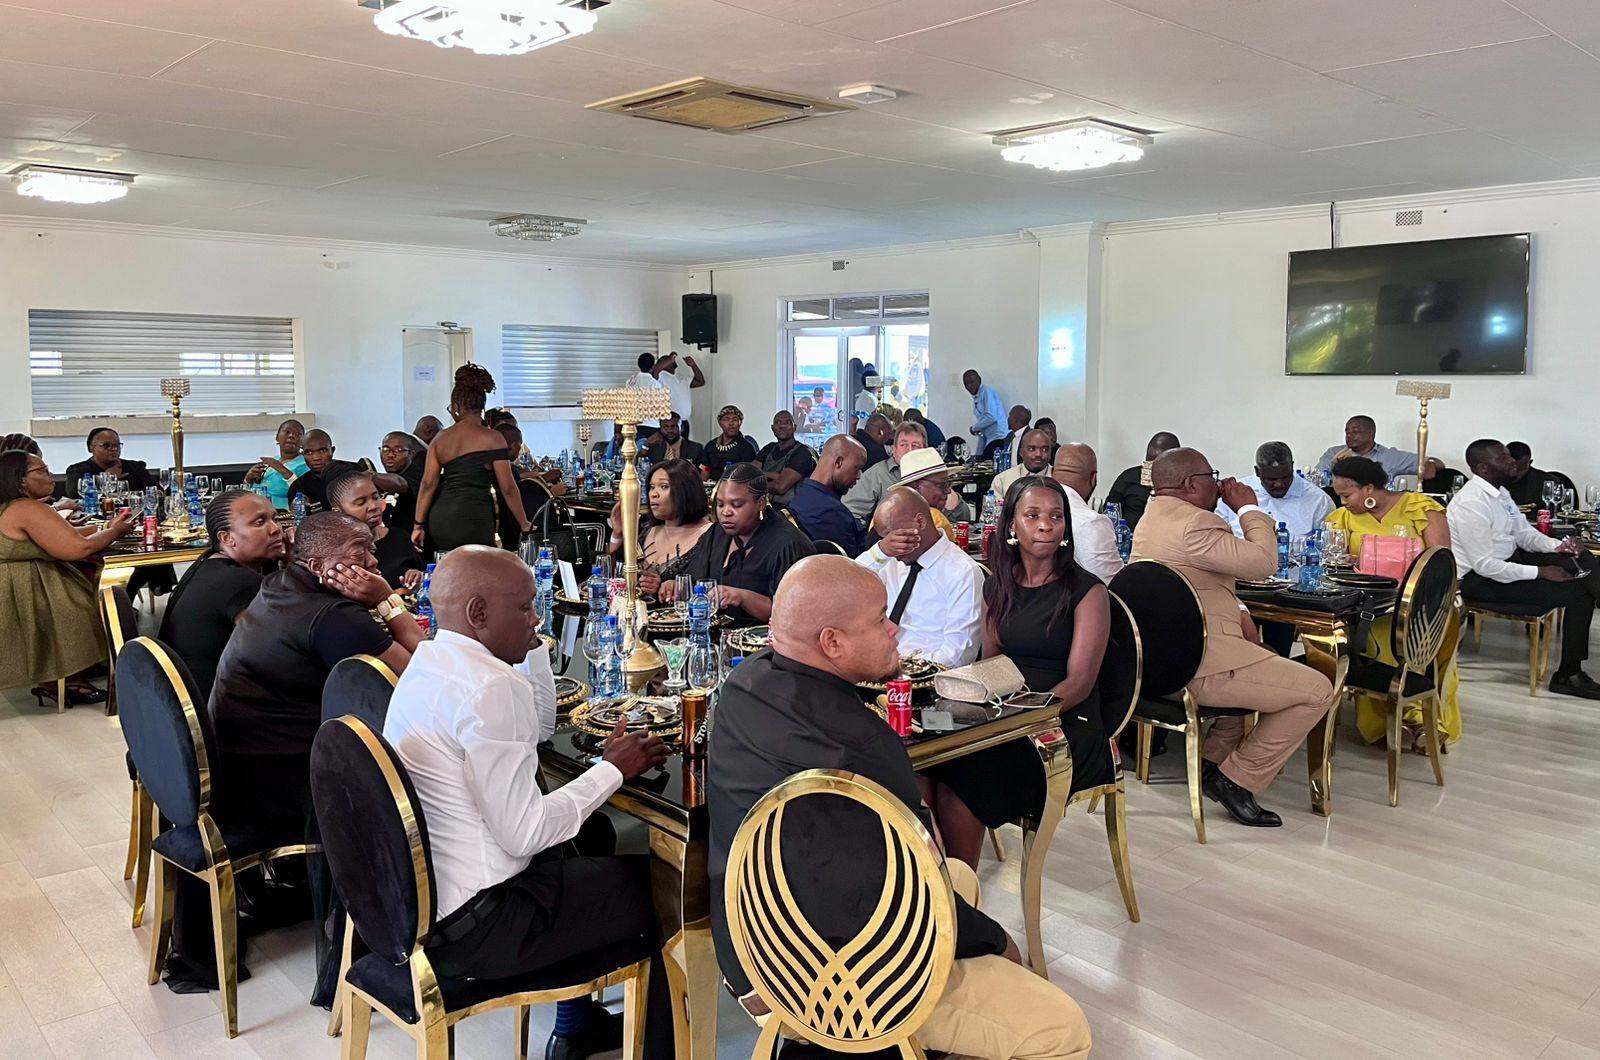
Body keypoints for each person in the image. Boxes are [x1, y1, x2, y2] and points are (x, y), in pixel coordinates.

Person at [707, 555, 1092, 1060]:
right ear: (832, 642)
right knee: (1061, 1030)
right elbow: (909, 890)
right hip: (834, 985)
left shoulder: (744, 685)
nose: (894, 629)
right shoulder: (861, 744)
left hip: (750, 945)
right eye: (880, 619)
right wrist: (997, 941)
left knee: (961, 874)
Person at [382, 546, 674, 1059]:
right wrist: (612, 769)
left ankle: (576, 1025)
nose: (537, 618)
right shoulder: (489, 687)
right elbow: (525, 834)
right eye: (525, 607)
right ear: (478, 612)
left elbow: (535, 731)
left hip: (420, 902)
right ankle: (660, 1049)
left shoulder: (430, 661)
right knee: (665, 888)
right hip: (484, 926)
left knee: (594, 834)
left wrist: (530, 646)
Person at [1131, 448, 1335, 827]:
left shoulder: (1151, 518)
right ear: (1191, 484)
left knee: (1260, 661)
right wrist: (1248, 508)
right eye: (1212, 476)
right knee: (1319, 690)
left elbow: (1199, 578)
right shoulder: (1197, 523)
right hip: (1198, 666)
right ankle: (1236, 780)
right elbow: (1263, 563)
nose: (1219, 483)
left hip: (1157, 664)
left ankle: (1210, 764)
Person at [925, 478, 1109, 869]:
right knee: (926, 765)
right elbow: (989, 666)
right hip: (1004, 716)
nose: (1046, 525)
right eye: (1033, 515)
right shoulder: (997, 586)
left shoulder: (1088, 591)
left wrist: (1022, 717)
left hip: (1063, 724)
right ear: (1011, 525)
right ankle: (935, 881)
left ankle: (960, 893)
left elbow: (1080, 682)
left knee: (967, 773)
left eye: (1056, 517)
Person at [1325, 456, 1461, 749]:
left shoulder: (1420, 509)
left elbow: (1441, 563)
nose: (1342, 502)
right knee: (1371, 637)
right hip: (1371, 607)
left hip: (1424, 604)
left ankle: (1423, 719)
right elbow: (1334, 564)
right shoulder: (1342, 518)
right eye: (1339, 496)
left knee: (1416, 641)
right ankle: (1391, 722)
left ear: (1369, 488)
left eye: (1347, 495)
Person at [1449, 439, 1600, 700]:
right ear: (1484, 468)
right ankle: (1568, 675)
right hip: (1477, 580)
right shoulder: (1471, 503)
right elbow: (1485, 565)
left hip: (1508, 561)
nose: (1512, 461)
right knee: (1579, 593)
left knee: (1580, 555)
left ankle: (1570, 673)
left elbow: (1524, 534)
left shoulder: (1500, 493)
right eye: (1503, 458)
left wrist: (1558, 546)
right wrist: (1541, 572)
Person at [0, 449, 134, 706]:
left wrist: (104, 527)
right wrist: (115, 531)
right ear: (21, 479)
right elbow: (77, 548)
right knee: (89, 604)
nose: (51, 476)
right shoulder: (27, 508)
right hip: (28, 588)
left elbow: (62, 534)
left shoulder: (11, 506)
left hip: (14, 583)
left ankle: (73, 671)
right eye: (42, 471)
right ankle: (67, 678)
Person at [158, 489, 288, 703]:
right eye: (259, 522)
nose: (276, 529)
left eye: (275, 519)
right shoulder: (240, 583)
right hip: (218, 707)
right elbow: (281, 653)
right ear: (227, 538)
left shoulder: (207, 562)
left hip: (179, 699)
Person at [660, 462, 813, 625]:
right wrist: (675, 586)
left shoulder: (789, 545)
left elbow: (795, 615)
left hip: (763, 639)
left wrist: (743, 597)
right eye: (720, 504)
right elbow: (695, 582)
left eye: (737, 505)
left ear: (761, 503)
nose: (725, 512)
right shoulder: (717, 533)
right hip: (713, 632)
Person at [412, 364, 532, 556]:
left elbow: (428, 484)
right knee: (478, 567)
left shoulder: (440, 439)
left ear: (456, 407)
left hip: (442, 519)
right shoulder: (493, 438)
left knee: (452, 567)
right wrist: (524, 523)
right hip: (476, 517)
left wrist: (418, 525)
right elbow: (508, 488)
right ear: (482, 407)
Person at [857, 487, 984, 667]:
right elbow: (847, 587)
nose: (892, 544)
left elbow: (958, 654)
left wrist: (906, 672)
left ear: (920, 522)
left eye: (896, 536)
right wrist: (880, 551)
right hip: (876, 664)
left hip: (927, 673)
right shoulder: (890, 558)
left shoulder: (962, 572)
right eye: (886, 538)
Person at [607, 458, 711, 595]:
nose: (654, 494)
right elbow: (613, 577)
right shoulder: (647, 529)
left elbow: (713, 588)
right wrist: (618, 535)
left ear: (686, 490)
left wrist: (667, 589)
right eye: (652, 487)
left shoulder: (711, 535)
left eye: (664, 487)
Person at [327, 468, 425, 592]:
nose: (374, 506)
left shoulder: (399, 537)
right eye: (361, 503)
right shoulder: (335, 553)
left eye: (376, 497)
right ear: (338, 512)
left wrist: (416, 578)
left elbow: (422, 576)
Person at [1217, 442, 1334, 539]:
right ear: (1257, 471)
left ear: (1292, 467)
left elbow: (1327, 546)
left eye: (1285, 477)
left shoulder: (1319, 500)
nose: (1278, 484)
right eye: (1271, 479)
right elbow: (1217, 537)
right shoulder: (1233, 493)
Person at [1051, 443, 1123, 584]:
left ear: (1052, 472)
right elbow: (1111, 583)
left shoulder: (1026, 505)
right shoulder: (1091, 523)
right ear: (1093, 478)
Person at [788, 434, 869, 556]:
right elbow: (855, 562)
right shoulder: (830, 512)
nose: (858, 476)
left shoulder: (803, 493)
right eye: (856, 468)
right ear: (838, 462)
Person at [844, 420, 928, 522]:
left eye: (916, 446)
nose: (909, 450)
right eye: (903, 445)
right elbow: (850, 513)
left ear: (925, 451)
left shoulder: (933, 477)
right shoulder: (877, 474)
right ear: (894, 449)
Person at [1107, 431, 1180, 531]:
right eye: (1149, 461)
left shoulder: (1185, 484)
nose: (1152, 468)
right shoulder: (1128, 478)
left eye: (1158, 463)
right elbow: (1110, 512)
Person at [1315, 415, 1418, 481]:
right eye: (1347, 432)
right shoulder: (1333, 453)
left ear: (1370, 433)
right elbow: (1315, 482)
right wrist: (1334, 466)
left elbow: (1422, 463)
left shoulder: (1389, 457)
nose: (1349, 435)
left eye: (1355, 431)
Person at [64, 426, 156, 499]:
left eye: (117, 445)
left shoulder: (135, 467)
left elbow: (154, 492)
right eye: (106, 445)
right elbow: (74, 495)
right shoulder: (77, 470)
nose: (114, 449)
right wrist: (106, 479)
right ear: (91, 448)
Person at [283, 429, 361, 514]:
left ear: (332, 451)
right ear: (303, 455)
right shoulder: (298, 487)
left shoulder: (356, 473)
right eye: (309, 452)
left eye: (323, 451)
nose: (316, 458)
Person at [244, 419, 309, 511]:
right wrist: (248, 479)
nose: (291, 436)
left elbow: (304, 493)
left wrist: (282, 470)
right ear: (277, 437)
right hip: (255, 510)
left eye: (298, 434)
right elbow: (248, 491)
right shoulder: (272, 461)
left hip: (284, 514)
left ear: (303, 441)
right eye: (287, 432)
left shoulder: (305, 464)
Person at [754, 410, 816, 503]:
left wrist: (758, 480)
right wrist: (775, 476)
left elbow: (780, 487)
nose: (782, 426)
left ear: (794, 427)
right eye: (778, 422)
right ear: (772, 428)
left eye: (788, 422)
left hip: (791, 509)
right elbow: (750, 474)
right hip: (766, 506)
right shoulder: (768, 448)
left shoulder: (803, 452)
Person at [376, 431, 426, 532]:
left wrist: (371, 476)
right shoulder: (384, 480)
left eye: (398, 450)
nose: (390, 455)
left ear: (411, 454)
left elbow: (400, 483)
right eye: (385, 449)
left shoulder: (417, 475)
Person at [1504, 441, 1577, 509]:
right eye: (1511, 468)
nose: (1515, 473)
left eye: (1520, 470)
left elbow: (1551, 512)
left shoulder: (1546, 481)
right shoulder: (1498, 480)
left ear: (1530, 462)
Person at [699, 405, 758, 480]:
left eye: (735, 419)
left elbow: (749, 477)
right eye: (726, 419)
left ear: (740, 423)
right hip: (711, 485)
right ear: (720, 423)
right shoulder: (711, 446)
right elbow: (705, 470)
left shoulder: (747, 448)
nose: (731, 423)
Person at [990, 427, 1053, 496]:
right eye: (1031, 449)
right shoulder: (1002, 480)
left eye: (1044, 449)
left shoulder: (1058, 478)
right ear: (1021, 452)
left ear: (1050, 453)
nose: (1038, 454)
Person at [963, 369, 1007, 452]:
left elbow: (991, 417)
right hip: (989, 439)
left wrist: (974, 428)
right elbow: (982, 426)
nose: (969, 386)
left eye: (972, 382)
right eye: (966, 383)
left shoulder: (986, 392)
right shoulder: (976, 398)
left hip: (999, 438)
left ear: (979, 380)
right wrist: (978, 453)